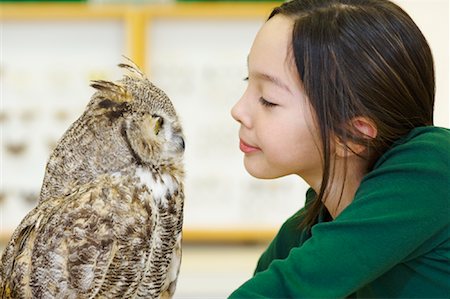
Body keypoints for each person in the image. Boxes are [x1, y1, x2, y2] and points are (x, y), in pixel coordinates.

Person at [229, 0, 450, 297]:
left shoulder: (433, 168)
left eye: (268, 99)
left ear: (352, 135)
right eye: (247, 82)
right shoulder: (303, 233)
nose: (238, 110)